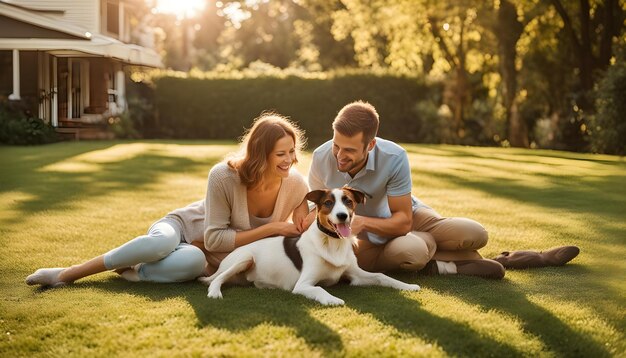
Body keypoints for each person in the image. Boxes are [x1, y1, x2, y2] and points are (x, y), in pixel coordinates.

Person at [293, 101, 579, 279]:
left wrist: (364, 221)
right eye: (336, 145)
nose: (339, 155)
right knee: (413, 252)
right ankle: (508, 260)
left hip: (402, 218)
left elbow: (403, 220)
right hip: (359, 240)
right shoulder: (321, 158)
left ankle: (434, 251)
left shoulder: (393, 157)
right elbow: (316, 215)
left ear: (370, 145)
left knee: (474, 234)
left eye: (349, 150)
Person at [26, 113, 309, 287]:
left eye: (292, 151)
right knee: (162, 243)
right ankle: (67, 274)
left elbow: (305, 221)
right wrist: (273, 228)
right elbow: (214, 239)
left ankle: (135, 269)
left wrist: (304, 213)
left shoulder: (296, 184)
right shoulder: (224, 176)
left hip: (206, 258)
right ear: (261, 154)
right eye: (281, 154)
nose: (290, 160)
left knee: (191, 264)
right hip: (184, 228)